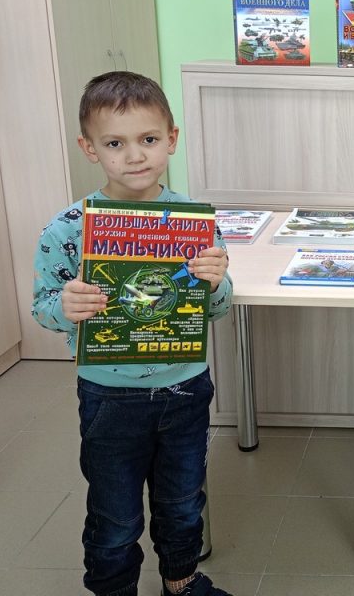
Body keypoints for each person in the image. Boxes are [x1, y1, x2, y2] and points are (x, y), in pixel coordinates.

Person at [32, 72, 235, 596]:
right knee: (114, 515)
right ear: (89, 149)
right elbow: (43, 308)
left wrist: (217, 282)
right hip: (109, 394)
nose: (135, 156)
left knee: (183, 502)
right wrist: (66, 306)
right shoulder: (68, 228)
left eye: (148, 139)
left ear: (171, 138)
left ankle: (181, 580)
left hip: (186, 388)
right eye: (115, 144)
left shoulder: (193, 221)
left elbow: (216, 309)